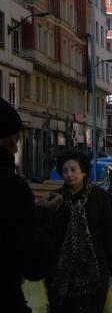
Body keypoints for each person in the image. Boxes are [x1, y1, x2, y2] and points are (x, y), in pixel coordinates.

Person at [0, 97, 62, 312]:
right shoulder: (12, 187)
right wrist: (43, 215)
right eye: (16, 139)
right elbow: (35, 265)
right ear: (4, 140)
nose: (16, 147)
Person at [49, 150, 112, 312]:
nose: (69, 174)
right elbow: (49, 234)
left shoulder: (99, 196)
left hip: (95, 270)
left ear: (83, 172)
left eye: (73, 170)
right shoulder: (56, 198)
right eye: (65, 171)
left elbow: (108, 231)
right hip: (62, 272)